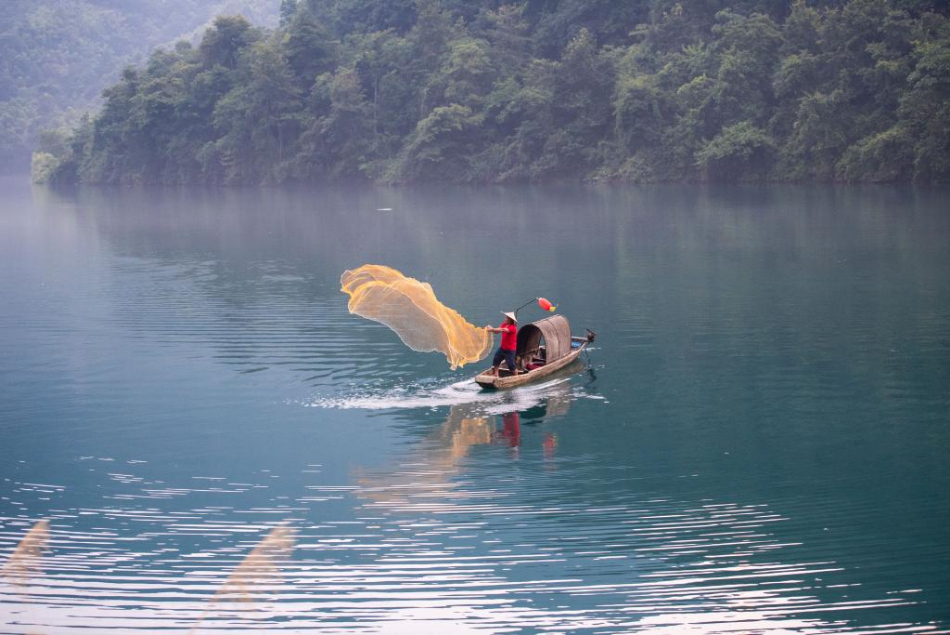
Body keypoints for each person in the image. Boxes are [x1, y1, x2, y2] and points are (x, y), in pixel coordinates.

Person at [486, 312, 518, 376]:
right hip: (502, 348)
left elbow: (503, 330)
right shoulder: (504, 324)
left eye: (507, 318)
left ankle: (516, 375)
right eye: (506, 317)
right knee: (496, 359)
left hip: (510, 350)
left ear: (510, 320)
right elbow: (497, 331)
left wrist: (491, 329)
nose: (505, 319)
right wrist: (492, 329)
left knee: (511, 365)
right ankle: (496, 373)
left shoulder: (513, 327)